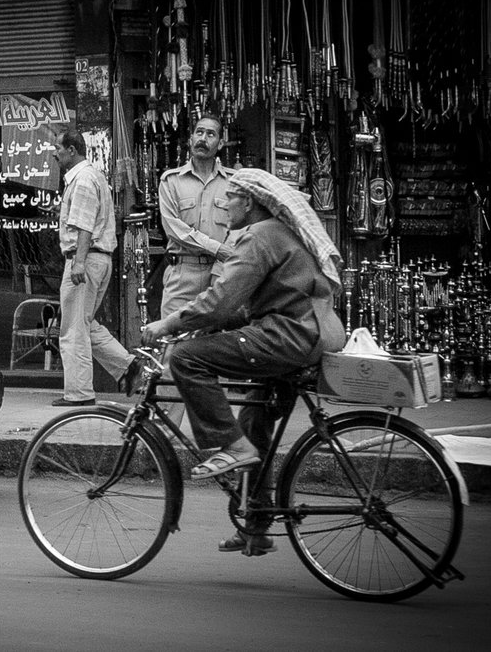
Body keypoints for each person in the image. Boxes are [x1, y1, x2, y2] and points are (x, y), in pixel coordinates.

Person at [141, 167, 346, 554]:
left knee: (186, 360)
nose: (223, 205)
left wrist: (169, 324)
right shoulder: (275, 233)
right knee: (254, 420)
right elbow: (243, 305)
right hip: (309, 333)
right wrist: (203, 326)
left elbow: (220, 301)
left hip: (290, 336)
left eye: (229, 199)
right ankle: (256, 525)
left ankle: (229, 448)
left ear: (248, 202)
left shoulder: (260, 235)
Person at [155, 113, 237, 427]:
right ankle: (164, 435)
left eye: (211, 134)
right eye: (199, 132)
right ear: (191, 139)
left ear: (220, 142)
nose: (203, 139)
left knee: (217, 352)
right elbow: (173, 228)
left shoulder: (233, 184)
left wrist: (221, 264)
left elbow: (238, 230)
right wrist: (216, 247)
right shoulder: (171, 180)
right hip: (182, 275)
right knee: (171, 354)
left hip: (221, 277)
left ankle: (221, 434)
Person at [51, 128, 138, 406]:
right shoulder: (91, 177)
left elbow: (86, 225)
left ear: (72, 150)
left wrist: (78, 262)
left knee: (73, 329)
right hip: (96, 258)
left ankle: (78, 394)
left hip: (85, 259)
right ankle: (127, 365)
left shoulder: (84, 179)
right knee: (84, 323)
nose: (55, 153)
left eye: (58, 148)